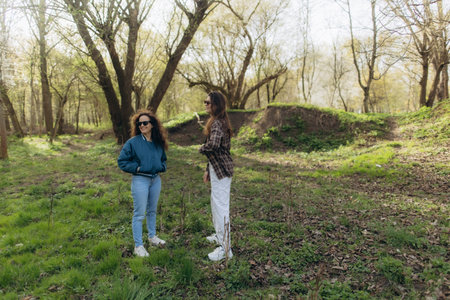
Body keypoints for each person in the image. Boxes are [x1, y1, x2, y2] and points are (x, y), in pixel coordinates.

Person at [118, 110, 168, 257]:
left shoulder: (158, 142)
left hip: (155, 180)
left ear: (152, 124)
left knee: (152, 211)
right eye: (139, 123)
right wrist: (137, 168)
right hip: (140, 180)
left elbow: (163, 159)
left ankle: (152, 237)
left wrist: (162, 167)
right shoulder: (133, 143)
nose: (142, 125)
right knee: (139, 214)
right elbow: (122, 161)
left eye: (145, 123)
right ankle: (138, 246)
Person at [199, 91, 234, 261]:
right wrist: (207, 169)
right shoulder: (217, 121)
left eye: (208, 102)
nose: (205, 104)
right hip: (216, 168)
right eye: (204, 102)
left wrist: (200, 148)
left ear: (216, 105)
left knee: (221, 207)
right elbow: (215, 149)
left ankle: (226, 248)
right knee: (216, 204)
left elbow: (213, 144)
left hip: (222, 169)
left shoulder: (218, 124)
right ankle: (219, 235)